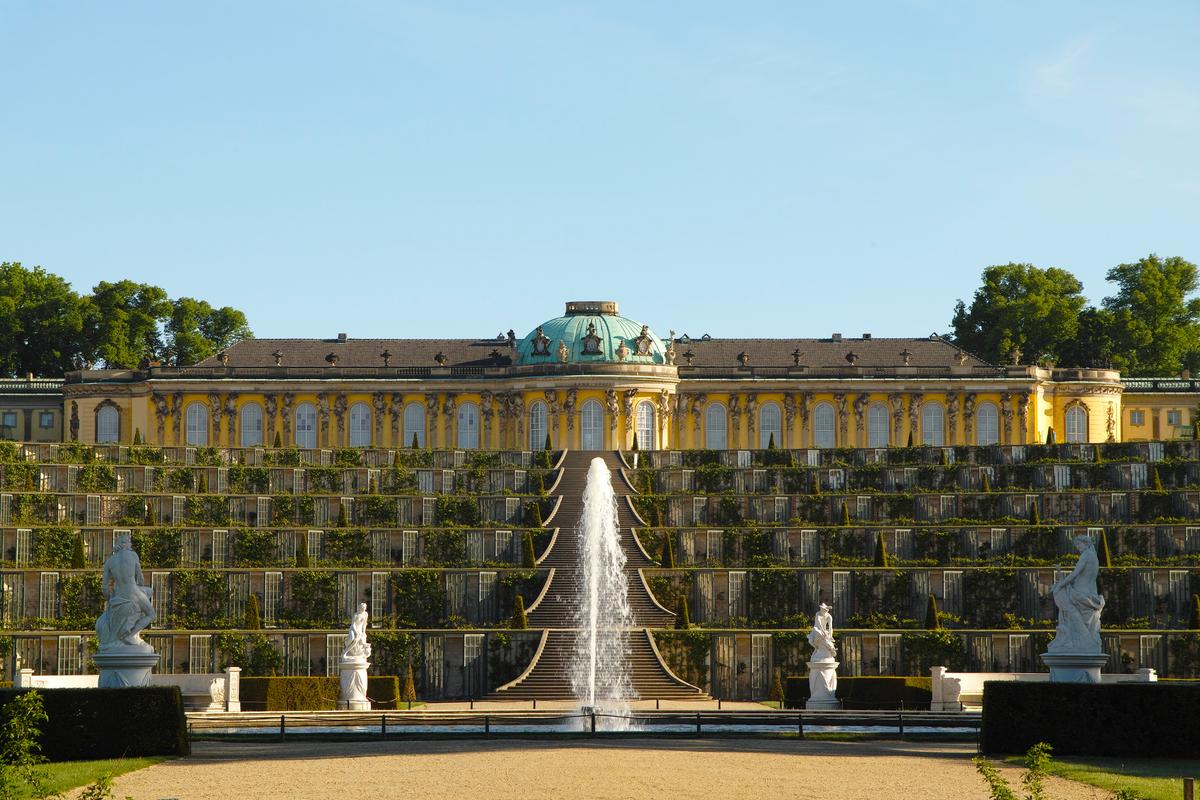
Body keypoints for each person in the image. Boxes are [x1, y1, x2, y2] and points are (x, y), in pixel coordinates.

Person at [95, 532, 155, 650]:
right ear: (126, 544)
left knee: (147, 592)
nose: (131, 544)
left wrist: (110, 599)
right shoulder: (133, 555)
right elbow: (141, 578)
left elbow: (105, 587)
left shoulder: (109, 561)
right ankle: (131, 636)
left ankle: (131, 631)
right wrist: (139, 587)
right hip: (133, 593)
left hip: (119, 596)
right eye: (130, 542)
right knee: (151, 614)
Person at [1047, 534, 1105, 654]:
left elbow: (1075, 573)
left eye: (1079, 544)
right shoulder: (1094, 557)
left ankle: (1068, 640)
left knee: (1060, 593)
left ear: (1086, 543)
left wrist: (1062, 584)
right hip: (1090, 593)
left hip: (1080, 593)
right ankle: (1069, 639)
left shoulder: (1086, 555)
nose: (1077, 547)